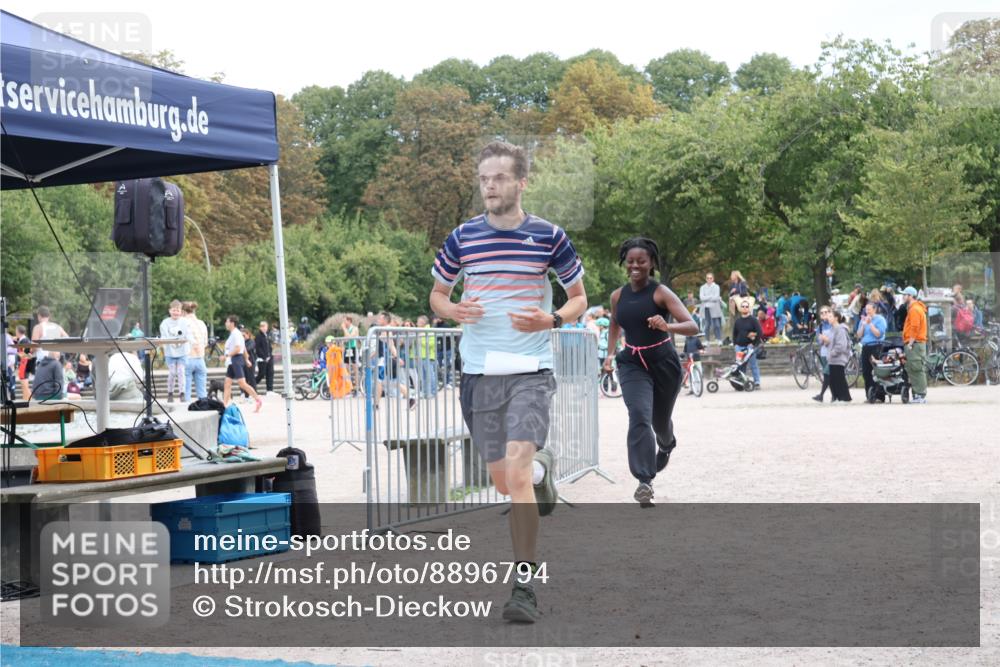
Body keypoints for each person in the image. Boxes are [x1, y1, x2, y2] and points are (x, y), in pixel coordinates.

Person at [429, 140, 587, 623]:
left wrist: (553, 320)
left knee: (514, 474)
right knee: (503, 482)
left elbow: (578, 297)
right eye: (483, 179)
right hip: (478, 373)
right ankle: (542, 470)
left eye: (498, 178)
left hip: (530, 371)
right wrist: (452, 309)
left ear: (521, 182)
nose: (489, 187)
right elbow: (437, 293)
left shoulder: (549, 236)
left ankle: (524, 585)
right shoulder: (462, 237)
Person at [603, 237, 697, 505]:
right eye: (630, 261)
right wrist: (610, 354)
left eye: (641, 261)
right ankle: (645, 480)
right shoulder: (617, 296)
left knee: (660, 423)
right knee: (639, 415)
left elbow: (692, 326)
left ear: (651, 263)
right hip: (632, 362)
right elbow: (614, 325)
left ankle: (666, 444)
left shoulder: (660, 293)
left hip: (663, 363)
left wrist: (667, 326)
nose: (635, 266)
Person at [222, 315, 261, 412]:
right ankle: (225, 405)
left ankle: (258, 400)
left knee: (242, 384)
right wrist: (247, 359)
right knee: (227, 383)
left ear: (232, 323)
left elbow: (238, 348)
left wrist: (226, 356)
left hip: (236, 360)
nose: (225, 324)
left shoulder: (236, 333)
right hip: (233, 361)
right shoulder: (233, 334)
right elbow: (243, 347)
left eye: (227, 322)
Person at [159, 300, 191, 402]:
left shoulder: (185, 322)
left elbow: (188, 334)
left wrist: (191, 341)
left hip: (182, 351)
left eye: (178, 310)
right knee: (172, 372)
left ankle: (182, 393)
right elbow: (164, 336)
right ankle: (170, 392)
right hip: (170, 352)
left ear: (181, 311)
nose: (176, 312)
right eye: (174, 310)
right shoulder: (165, 323)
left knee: (181, 371)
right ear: (170, 310)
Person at [901, 287, 928, 404]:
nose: (903, 297)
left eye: (904, 295)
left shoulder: (914, 309)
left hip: (915, 344)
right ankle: (918, 395)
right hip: (915, 344)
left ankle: (920, 395)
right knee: (914, 369)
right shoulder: (914, 308)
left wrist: (910, 343)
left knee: (916, 369)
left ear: (910, 296)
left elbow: (915, 328)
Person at [822, 309, 853, 402]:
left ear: (836, 318)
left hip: (838, 358)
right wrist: (826, 342)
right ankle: (837, 397)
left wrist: (832, 353)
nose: (828, 318)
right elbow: (830, 342)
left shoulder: (840, 329)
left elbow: (841, 345)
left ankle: (844, 398)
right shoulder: (832, 329)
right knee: (832, 379)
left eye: (830, 316)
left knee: (839, 378)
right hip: (832, 358)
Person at [732, 298, 763, 389]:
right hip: (739, 347)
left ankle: (757, 382)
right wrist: (735, 345)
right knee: (740, 365)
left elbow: (760, 332)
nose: (745, 308)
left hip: (749, 347)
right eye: (743, 306)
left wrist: (754, 344)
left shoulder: (753, 320)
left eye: (746, 306)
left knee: (753, 364)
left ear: (749, 308)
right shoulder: (738, 321)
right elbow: (734, 333)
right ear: (740, 308)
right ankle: (742, 382)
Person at [183, 301, 209, 400]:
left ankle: (186, 410)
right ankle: (203, 406)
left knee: (186, 390)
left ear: (183, 311)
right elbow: (205, 343)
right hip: (200, 359)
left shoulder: (183, 323)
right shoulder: (201, 323)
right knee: (202, 392)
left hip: (187, 358)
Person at [813, 305, 834, 402]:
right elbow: (819, 340)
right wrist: (823, 340)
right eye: (822, 313)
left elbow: (836, 338)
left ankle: (821, 395)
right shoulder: (820, 326)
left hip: (833, 354)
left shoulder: (834, 324)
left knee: (827, 373)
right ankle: (833, 395)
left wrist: (827, 340)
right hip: (824, 353)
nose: (824, 314)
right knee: (829, 375)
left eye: (826, 312)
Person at [415, 315, 438, 398]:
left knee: (430, 375)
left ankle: (432, 392)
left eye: (418, 321)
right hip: (421, 356)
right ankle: (425, 392)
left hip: (428, 357)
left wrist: (420, 340)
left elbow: (431, 343)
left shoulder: (429, 331)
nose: (417, 323)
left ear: (423, 322)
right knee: (423, 376)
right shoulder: (420, 331)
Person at [699, 273, 724, 343]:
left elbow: (716, 298)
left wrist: (706, 297)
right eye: (707, 278)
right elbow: (701, 298)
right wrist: (711, 297)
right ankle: (707, 340)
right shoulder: (702, 287)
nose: (709, 279)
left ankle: (719, 339)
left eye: (710, 278)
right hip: (706, 307)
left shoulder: (716, 287)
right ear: (706, 279)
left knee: (717, 324)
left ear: (713, 279)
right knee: (707, 325)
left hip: (715, 307)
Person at [339, 316, 359, 393]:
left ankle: (357, 386)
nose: (344, 323)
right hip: (347, 349)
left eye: (345, 321)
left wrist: (344, 329)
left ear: (349, 321)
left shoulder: (355, 328)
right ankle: (349, 386)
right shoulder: (346, 329)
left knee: (354, 368)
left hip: (353, 348)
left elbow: (350, 337)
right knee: (346, 368)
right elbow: (345, 339)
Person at [254, 321, 274, 395]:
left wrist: (270, 355)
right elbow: (258, 348)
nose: (263, 328)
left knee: (270, 373)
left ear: (267, 327)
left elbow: (269, 346)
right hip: (262, 359)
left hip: (269, 358)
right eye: (262, 326)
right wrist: (264, 356)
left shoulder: (267, 335)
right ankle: (251, 386)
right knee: (261, 374)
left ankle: (269, 390)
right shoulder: (258, 336)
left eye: (264, 326)